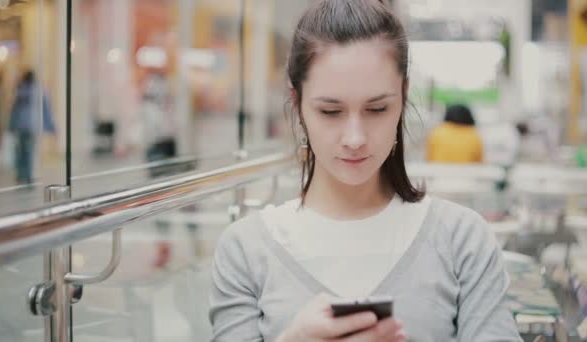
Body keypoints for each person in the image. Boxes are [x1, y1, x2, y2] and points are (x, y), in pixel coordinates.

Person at [209, 1, 521, 341]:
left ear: (403, 95)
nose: (355, 138)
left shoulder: (462, 241)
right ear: (296, 102)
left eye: (377, 108)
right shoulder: (246, 250)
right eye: (330, 111)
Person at [9, 70, 56, 184]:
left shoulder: (20, 91)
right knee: (29, 150)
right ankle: (28, 175)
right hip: (32, 125)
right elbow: (45, 110)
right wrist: (51, 127)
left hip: (21, 126)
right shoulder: (38, 91)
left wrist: (11, 125)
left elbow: (14, 111)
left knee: (20, 150)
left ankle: (21, 174)